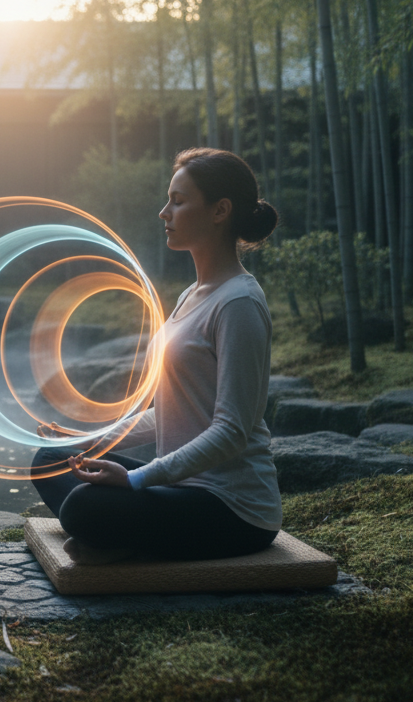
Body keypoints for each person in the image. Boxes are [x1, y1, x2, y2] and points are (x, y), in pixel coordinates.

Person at [31, 147, 282, 563]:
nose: (165, 212)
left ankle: (114, 538)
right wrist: (90, 441)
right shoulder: (190, 295)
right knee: (52, 461)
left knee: (83, 507)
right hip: (179, 488)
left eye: (178, 201)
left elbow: (232, 430)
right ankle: (120, 539)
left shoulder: (239, 303)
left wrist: (135, 480)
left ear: (220, 210)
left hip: (233, 508)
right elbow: (162, 411)